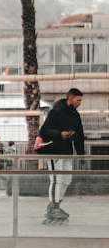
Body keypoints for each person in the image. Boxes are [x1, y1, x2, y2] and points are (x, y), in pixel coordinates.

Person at [36, 88, 86, 225]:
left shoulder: (75, 115)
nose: (79, 103)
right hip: (54, 150)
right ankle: (54, 206)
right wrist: (60, 134)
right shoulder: (55, 111)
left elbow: (79, 136)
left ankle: (55, 204)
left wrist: (81, 154)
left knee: (67, 178)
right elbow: (44, 131)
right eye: (78, 100)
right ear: (70, 99)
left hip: (67, 151)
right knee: (56, 178)